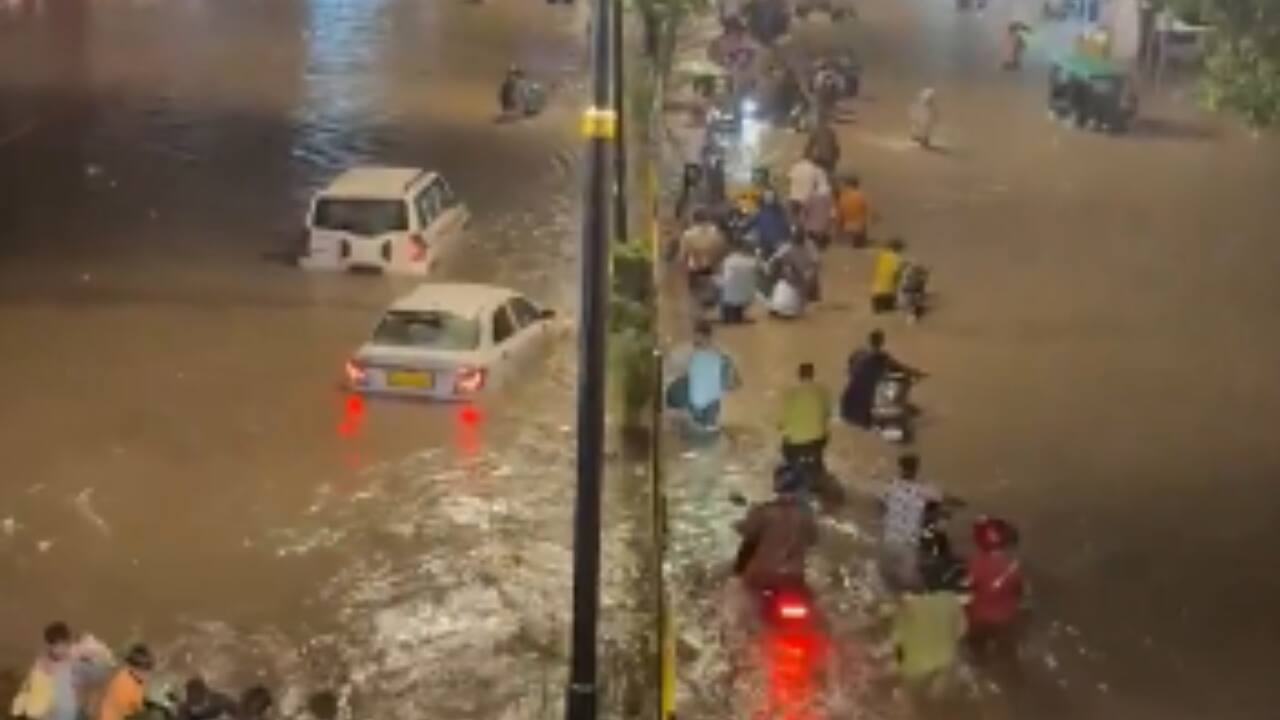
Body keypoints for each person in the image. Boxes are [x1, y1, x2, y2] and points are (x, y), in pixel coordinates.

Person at [734, 464, 819, 593]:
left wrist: (737, 524)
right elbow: (813, 539)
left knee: (736, 591)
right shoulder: (807, 514)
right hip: (794, 577)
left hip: (761, 577)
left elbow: (747, 531)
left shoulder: (764, 511)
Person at [10, 623, 112, 720]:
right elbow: (29, 688)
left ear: (68, 643)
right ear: (49, 645)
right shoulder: (41, 664)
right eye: (56, 646)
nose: (60, 650)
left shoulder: (76, 661)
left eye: (63, 645)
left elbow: (103, 670)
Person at [890, 579, 968, 705]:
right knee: (942, 700)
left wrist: (900, 667)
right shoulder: (950, 600)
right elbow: (962, 630)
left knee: (914, 698)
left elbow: (898, 645)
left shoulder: (904, 610)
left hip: (915, 669)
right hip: (944, 663)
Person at [877, 453, 945, 592]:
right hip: (909, 543)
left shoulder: (889, 486)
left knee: (885, 581)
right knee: (909, 585)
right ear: (916, 469)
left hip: (889, 540)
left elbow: (879, 506)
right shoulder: (924, 489)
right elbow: (942, 498)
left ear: (899, 468)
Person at [965, 517, 1026, 661]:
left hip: (980, 620)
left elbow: (968, 588)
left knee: (977, 654)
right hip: (1007, 620)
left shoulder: (976, 563)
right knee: (1008, 657)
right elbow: (1020, 592)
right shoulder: (1013, 566)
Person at [665, 321, 740, 432]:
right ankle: (701, 421)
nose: (700, 342)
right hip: (686, 393)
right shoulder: (685, 352)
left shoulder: (719, 354)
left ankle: (704, 422)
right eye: (698, 338)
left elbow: (731, 376)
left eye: (702, 339)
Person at [840, 329, 922, 429]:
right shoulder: (881, 357)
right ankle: (901, 410)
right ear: (882, 342)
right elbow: (901, 368)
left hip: (848, 401)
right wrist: (917, 373)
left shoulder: (859, 353)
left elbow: (849, 370)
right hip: (865, 408)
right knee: (894, 386)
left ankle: (901, 409)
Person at [778, 362, 831, 473]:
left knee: (784, 444)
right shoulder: (822, 391)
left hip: (794, 441)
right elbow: (827, 415)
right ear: (813, 375)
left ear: (799, 375)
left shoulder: (790, 392)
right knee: (824, 435)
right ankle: (817, 465)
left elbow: (781, 422)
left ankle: (792, 464)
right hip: (816, 440)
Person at [678, 208, 728, 314]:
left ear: (693, 219)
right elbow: (722, 249)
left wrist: (683, 268)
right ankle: (704, 313)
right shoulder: (716, 233)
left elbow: (683, 254)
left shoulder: (688, 234)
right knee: (709, 291)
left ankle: (700, 316)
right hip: (712, 266)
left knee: (695, 294)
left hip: (694, 267)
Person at [765, 231, 819, 318]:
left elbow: (773, 262)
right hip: (793, 282)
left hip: (791, 282)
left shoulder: (789, 247)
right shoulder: (803, 249)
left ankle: (781, 306)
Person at [97, 645, 153, 720]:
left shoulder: (133, 678)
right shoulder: (125, 684)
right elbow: (132, 712)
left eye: (148, 670)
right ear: (132, 667)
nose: (147, 675)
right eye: (143, 670)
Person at [718, 241, 758, 323]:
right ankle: (738, 314)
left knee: (717, 286)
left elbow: (725, 280)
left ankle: (727, 315)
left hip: (729, 297)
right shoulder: (751, 262)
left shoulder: (728, 261)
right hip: (748, 297)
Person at [743, 188, 791, 257]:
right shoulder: (781, 212)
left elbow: (748, 224)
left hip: (767, 244)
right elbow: (787, 227)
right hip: (780, 243)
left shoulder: (760, 212)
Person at [870, 237, 905, 313]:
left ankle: (878, 306)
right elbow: (897, 274)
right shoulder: (897, 258)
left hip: (876, 291)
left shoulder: (881, 255)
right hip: (889, 292)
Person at [835, 175, 870, 247]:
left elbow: (840, 215)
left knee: (847, 252)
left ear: (849, 185)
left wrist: (838, 229)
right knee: (858, 252)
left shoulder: (843, 197)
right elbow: (866, 212)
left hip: (847, 227)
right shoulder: (862, 197)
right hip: (859, 228)